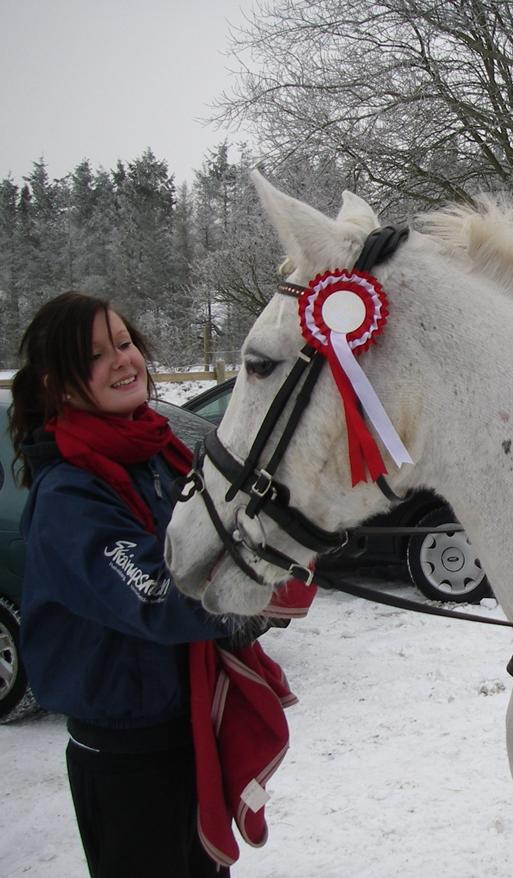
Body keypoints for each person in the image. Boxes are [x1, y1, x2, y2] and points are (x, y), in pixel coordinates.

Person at [8, 292, 235, 876]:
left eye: (125, 343)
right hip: (125, 757)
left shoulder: (158, 452)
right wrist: (249, 593)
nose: (122, 361)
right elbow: (158, 597)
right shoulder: (68, 495)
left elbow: (214, 542)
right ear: (59, 384)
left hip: (188, 730)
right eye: (96, 355)